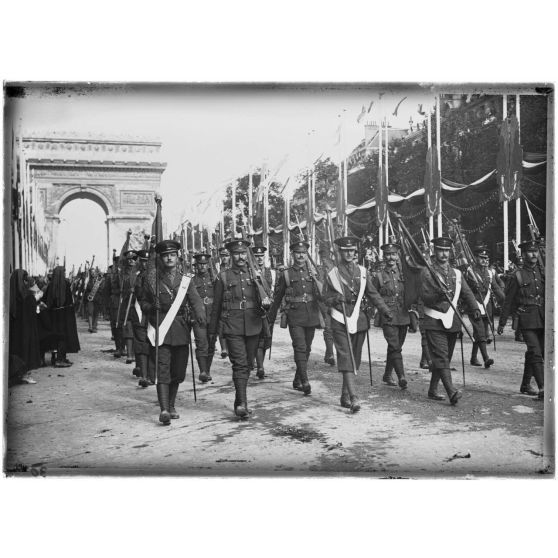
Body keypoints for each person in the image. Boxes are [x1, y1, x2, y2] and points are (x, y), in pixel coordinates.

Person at [322, 236, 392, 412]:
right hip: (340, 318)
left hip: (359, 319)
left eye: (352, 250)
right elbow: (324, 298)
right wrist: (335, 298)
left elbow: (373, 293)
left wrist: (385, 310)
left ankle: (345, 394)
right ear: (340, 252)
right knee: (346, 357)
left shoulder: (362, 271)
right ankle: (354, 397)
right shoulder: (332, 273)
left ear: (355, 252)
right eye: (345, 251)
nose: (349, 254)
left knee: (356, 359)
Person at [139, 240, 205, 425]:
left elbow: (196, 300)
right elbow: (142, 301)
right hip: (160, 328)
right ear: (160, 258)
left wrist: (200, 317)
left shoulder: (185, 279)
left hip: (181, 329)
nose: (169, 258)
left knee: (177, 371)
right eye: (166, 255)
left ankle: (172, 403)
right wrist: (152, 307)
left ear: (178, 257)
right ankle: (164, 409)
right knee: (163, 369)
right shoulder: (151, 279)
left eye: (173, 255)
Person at [208, 238, 269, 418]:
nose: (240, 257)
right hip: (232, 325)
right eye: (236, 254)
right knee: (240, 364)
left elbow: (268, 299)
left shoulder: (256, 275)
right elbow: (216, 306)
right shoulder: (224, 276)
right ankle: (241, 403)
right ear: (231, 256)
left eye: (243, 253)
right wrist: (212, 331)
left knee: (249, 364)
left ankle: (239, 399)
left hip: (253, 324)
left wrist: (266, 302)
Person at [418, 237, 481, 405]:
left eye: (446, 250)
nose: (444, 254)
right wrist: (438, 293)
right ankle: (451, 391)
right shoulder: (427, 272)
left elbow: (466, 293)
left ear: (450, 252)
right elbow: (425, 297)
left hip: (452, 321)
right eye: (440, 250)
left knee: (444, 358)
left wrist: (474, 308)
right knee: (441, 356)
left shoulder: (457, 274)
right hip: (434, 319)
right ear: (434, 252)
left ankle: (432, 389)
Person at [268, 239, 322, 395]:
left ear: (307, 255)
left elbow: (320, 293)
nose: (301, 256)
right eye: (298, 253)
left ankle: (297, 379)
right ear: (293, 254)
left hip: (311, 314)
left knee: (308, 348)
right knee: (300, 347)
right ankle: (305, 380)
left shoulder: (314, 272)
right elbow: (278, 297)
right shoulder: (286, 274)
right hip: (295, 315)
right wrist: (271, 317)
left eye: (304, 253)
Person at [497, 239, 545, 400]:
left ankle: (525, 384)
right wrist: (502, 322)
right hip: (527, 319)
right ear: (523, 255)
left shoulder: (542, 272)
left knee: (538, 352)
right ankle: (543, 387)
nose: (534, 254)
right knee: (535, 352)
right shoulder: (516, 275)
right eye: (530, 252)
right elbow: (508, 301)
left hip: (543, 317)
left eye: (535, 251)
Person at [372, 240, 411, 390]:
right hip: (387, 315)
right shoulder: (379, 276)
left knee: (396, 346)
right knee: (395, 346)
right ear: (384, 256)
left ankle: (387, 375)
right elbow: (373, 295)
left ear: (397, 255)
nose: (390, 257)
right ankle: (402, 376)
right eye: (387, 254)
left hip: (403, 314)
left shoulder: (404, 274)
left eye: (393, 254)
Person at [467, 244, 505, 368]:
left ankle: (473, 357)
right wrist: (473, 286)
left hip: (487, 306)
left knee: (479, 333)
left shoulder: (489, 273)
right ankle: (486, 358)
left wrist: (505, 300)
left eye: (486, 258)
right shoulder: (470, 271)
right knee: (480, 332)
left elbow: (496, 288)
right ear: (476, 258)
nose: (484, 260)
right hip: (475, 306)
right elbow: (465, 290)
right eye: (481, 257)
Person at [9, 269, 41, 385]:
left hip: (14, 329)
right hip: (26, 328)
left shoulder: (9, 293)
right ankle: (25, 374)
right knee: (26, 350)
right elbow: (35, 304)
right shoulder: (26, 295)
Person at [44, 266, 81, 367]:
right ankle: (60, 359)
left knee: (57, 337)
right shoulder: (65, 285)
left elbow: (46, 301)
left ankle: (59, 358)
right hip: (64, 316)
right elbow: (69, 302)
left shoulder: (50, 286)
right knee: (63, 337)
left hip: (54, 316)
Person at [191, 252, 217, 383]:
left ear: (208, 265)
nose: (202, 267)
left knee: (211, 343)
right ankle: (202, 371)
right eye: (200, 264)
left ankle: (207, 370)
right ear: (196, 266)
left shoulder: (215, 279)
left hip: (213, 316)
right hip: (198, 317)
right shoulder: (192, 280)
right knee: (201, 343)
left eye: (204, 264)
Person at [252, 244, 275, 379]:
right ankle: (260, 366)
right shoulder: (251, 272)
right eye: (257, 256)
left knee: (267, 338)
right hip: (255, 309)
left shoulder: (270, 272)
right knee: (258, 338)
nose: (259, 259)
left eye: (261, 256)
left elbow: (274, 290)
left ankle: (259, 362)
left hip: (269, 310)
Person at [132, 250, 153, 387]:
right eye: (143, 261)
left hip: (154, 314)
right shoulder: (136, 276)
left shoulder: (157, 275)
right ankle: (144, 376)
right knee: (142, 345)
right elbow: (138, 294)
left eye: (148, 261)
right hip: (141, 313)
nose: (145, 264)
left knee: (155, 344)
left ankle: (153, 375)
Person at [317, 243, 336, 366]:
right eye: (321, 255)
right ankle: (330, 353)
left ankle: (329, 353)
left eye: (325, 255)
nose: (323, 257)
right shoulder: (318, 268)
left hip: (336, 301)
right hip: (323, 302)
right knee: (328, 328)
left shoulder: (335, 267)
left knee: (335, 329)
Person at [120, 249, 139, 365]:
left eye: (134, 259)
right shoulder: (123, 273)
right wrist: (129, 291)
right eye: (129, 259)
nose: (131, 261)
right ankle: (129, 355)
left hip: (139, 305)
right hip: (128, 304)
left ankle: (137, 354)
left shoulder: (141, 272)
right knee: (128, 330)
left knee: (138, 331)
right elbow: (121, 289)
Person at [104, 250, 124, 357]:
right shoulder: (110, 277)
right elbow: (106, 293)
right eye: (117, 263)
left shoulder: (127, 274)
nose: (119, 265)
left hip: (125, 303)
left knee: (125, 326)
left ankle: (125, 347)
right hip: (115, 304)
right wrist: (107, 308)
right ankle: (118, 347)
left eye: (121, 263)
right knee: (116, 326)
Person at [216, 245, 231, 359]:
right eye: (222, 256)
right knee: (221, 325)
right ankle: (223, 348)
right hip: (220, 297)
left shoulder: (232, 267)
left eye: (226, 255)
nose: (224, 258)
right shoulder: (216, 267)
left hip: (231, 298)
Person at [84, 267, 104, 333]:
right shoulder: (88, 281)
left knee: (95, 313)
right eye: (91, 272)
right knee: (90, 312)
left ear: (96, 272)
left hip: (97, 299)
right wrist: (87, 295)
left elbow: (102, 289)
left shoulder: (99, 280)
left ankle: (94, 327)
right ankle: (90, 327)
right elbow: (86, 290)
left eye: (94, 272)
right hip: (90, 299)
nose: (93, 273)